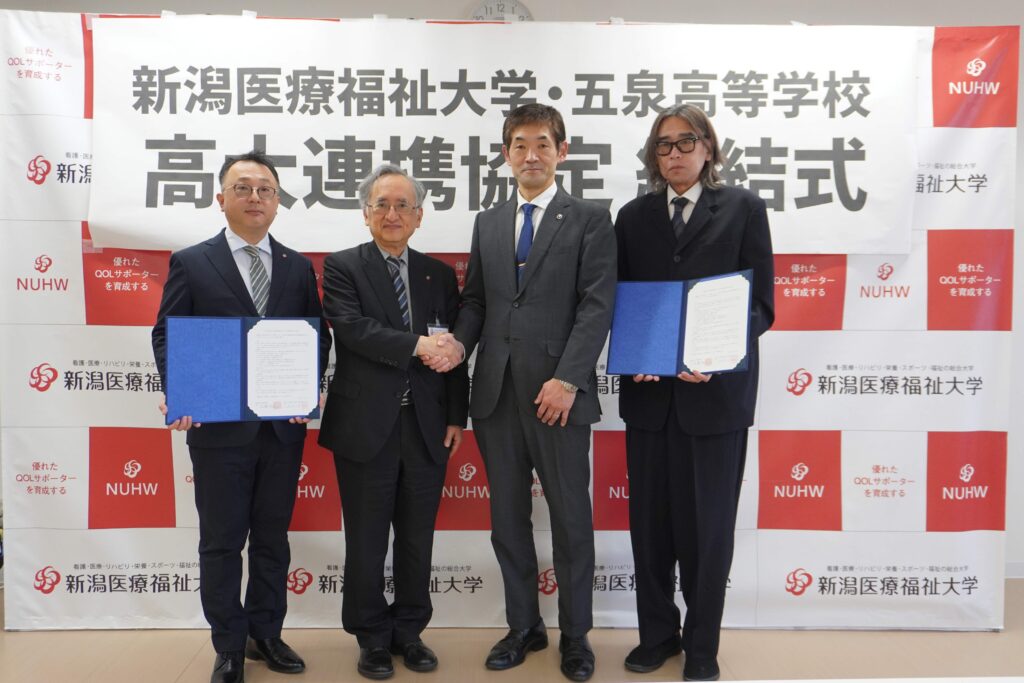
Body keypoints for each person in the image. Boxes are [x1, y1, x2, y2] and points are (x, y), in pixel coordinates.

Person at [152, 150, 332, 683]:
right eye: (243, 187)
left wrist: (306, 389)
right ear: (221, 198)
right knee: (222, 542)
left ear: (277, 201)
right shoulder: (192, 261)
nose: (256, 197)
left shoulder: (297, 265)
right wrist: (181, 390)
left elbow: (316, 336)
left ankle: (265, 634)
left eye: (265, 189)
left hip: (281, 430)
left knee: (273, 539)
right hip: (217, 429)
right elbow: (167, 333)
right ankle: (228, 645)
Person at [451, 103, 616, 683]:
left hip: (559, 396)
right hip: (495, 393)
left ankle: (575, 635)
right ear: (506, 155)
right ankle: (523, 626)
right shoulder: (489, 221)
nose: (531, 155)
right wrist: (456, 346)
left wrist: (568, 379)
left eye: (543, 143)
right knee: (507, 519)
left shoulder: (591, 218)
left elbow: (597, 305)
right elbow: (476, 300)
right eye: (519, 145)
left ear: (561, 152)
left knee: (571, 519)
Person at [614, 104, 775, 682]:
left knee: (708, 531)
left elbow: (761, 305)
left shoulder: (743, 208)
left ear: (708, 148)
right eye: (663, 145)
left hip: (716, 400)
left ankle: (702, 644)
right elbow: (620, 298)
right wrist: (638, 352)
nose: (675, 153)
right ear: (653, 156)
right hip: (650, 400)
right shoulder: (632, 217)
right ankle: (657, 636)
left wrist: (715, 354)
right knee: (650, 528)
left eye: (686, 141)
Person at [317, 164, 469, 680]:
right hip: (365, 426)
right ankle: (371, 638)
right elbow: (353, 330)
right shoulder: (343, 267)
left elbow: (454, 351)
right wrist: (419, 345)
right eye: (381, 204)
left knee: (416, 538)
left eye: (403, 205)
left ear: (419, 216)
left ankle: (409, 631)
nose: (392, 213)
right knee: (366, 539)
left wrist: (456, 415)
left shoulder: (439, 275)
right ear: (366, 214)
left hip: (427, 426)